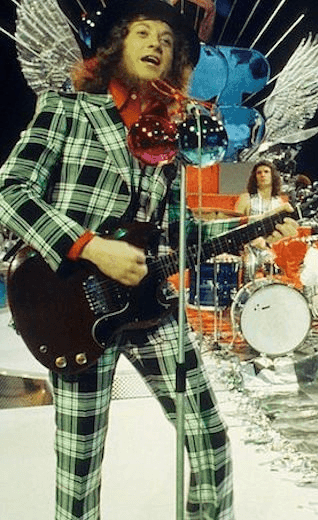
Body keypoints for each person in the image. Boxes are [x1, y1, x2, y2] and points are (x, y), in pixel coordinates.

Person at [0, 1, 292, 518]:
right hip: (74, 312)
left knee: (210, 442)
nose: (156, 43)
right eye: (143, 32)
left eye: (167, 39)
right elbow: (11, 189)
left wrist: (255, 229)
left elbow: (181, 233)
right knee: (79, 470)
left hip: (152, 309)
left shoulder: (169, 143)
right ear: (116, 47)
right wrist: (90, 247)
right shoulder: (67, 111)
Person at [234, 159, 293, 281]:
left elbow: (284, 234)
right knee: (249, 266)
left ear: (273, 176)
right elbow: (236, 227)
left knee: (274, 267)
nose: (262, 175)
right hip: (249, 246)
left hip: (270, 247)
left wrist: (269, 245)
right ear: (254, 177)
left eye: (266, 172)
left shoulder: (279, 202)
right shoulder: (246, 199)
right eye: (259, 172)